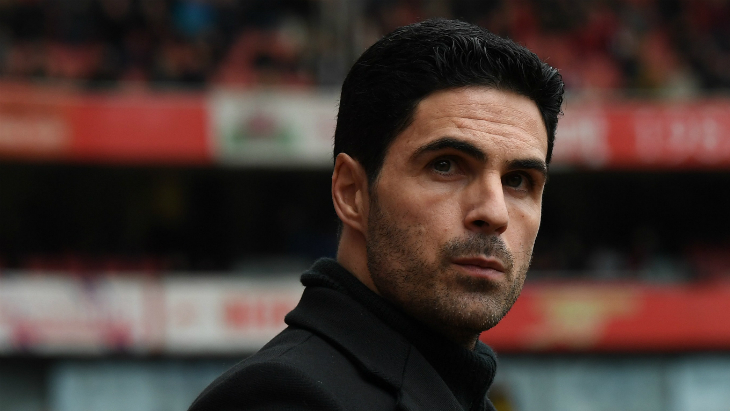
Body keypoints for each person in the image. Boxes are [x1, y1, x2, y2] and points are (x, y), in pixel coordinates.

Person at [188, 18, 564, 411]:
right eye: (445, 166)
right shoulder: (282, 399)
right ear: (352, 193)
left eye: (518, 180)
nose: (494, 212)